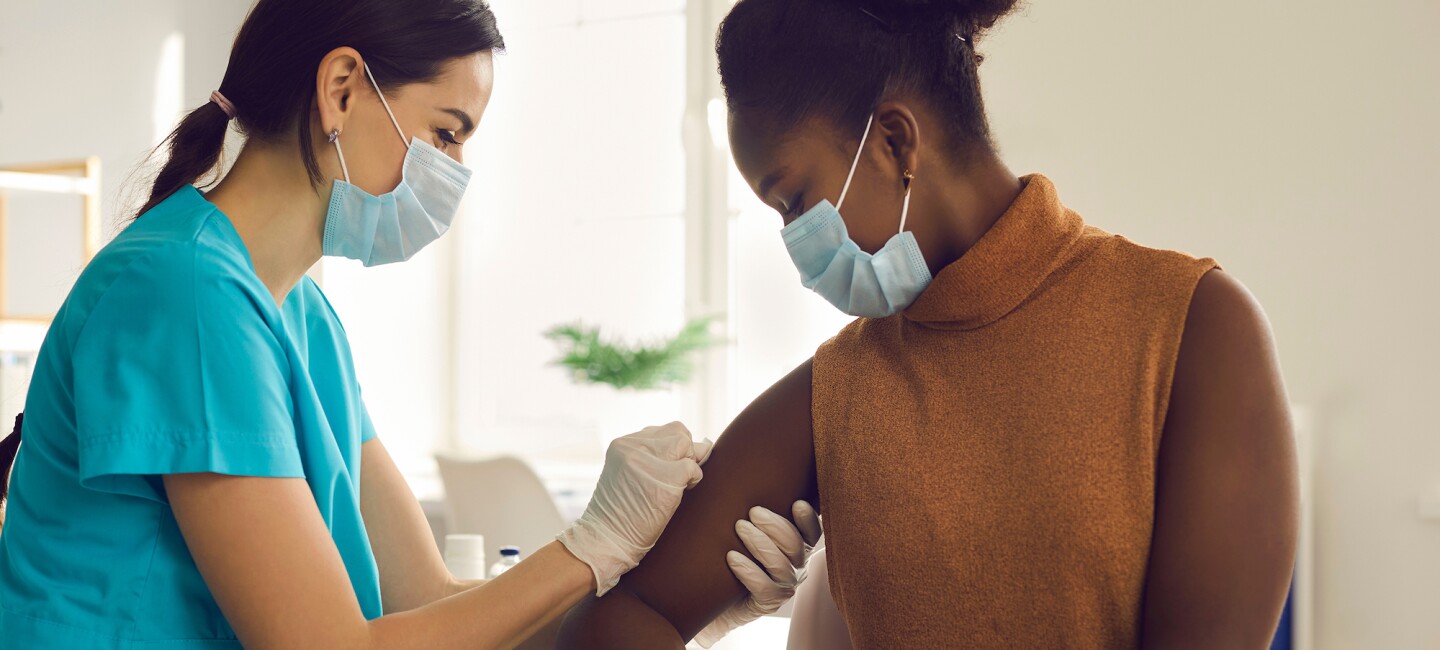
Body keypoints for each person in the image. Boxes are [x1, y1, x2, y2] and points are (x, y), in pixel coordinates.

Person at [0, 1, 821, 648]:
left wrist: (698, 610)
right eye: (445, 133)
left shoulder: (300, 317)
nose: (455, 173)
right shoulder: (183, 293)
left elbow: (430, 609)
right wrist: (591, 545)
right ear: (343, 88)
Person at [558, 0, 1299, 647]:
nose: (795, 247)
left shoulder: (1192, 329)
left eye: (794, 202)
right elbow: (628, 618)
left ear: (894, 142)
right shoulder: (843, 387)